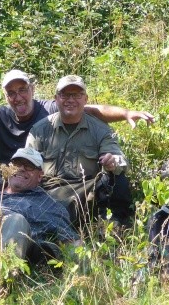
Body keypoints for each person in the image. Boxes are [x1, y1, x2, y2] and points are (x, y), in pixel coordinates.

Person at [0, 69, 152, 236]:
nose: (18, 96)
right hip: (22, 179)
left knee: (113, 181)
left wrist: (124, 117)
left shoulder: (71, 116)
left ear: (32, 90)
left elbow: (96, 115)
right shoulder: (15, 119)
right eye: (11, 92)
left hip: (61, 184)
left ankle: (115, 233)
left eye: (22, 89)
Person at [25, 75, 131, 227]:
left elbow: (118, 157)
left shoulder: (100, 129)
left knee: (117, 179)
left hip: (87, 193)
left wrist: (112, 162)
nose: (70, 100)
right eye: (65, 95)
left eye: (77, 95)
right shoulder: (40, 129)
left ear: (86, 99)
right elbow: (25, 163)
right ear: (56, 99)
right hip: (49, 193)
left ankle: (116, 225)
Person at [0, 147, 79, 263]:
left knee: (16, 220)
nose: (21, 169)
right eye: (17, 164)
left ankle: (3, 278)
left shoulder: (47, 204)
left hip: (2, 252)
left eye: (29, 166)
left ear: (40, 176)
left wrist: (85, 269)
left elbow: (70, 240)